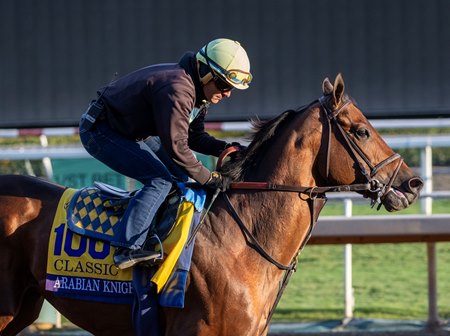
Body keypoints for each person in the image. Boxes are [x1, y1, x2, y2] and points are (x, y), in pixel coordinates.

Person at [79, 38, 252, 269]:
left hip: (129, 131)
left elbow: (194, 137)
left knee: (180, 179)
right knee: (160, 181)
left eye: (232, 88)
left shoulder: (197, 89)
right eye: (224, 85)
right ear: (206, 73)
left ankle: (152, 231)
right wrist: (209, 178)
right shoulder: (179, 88)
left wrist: (226, 148)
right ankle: (127, 248)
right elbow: (178, 147)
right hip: (100, 130)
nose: (228, 94)